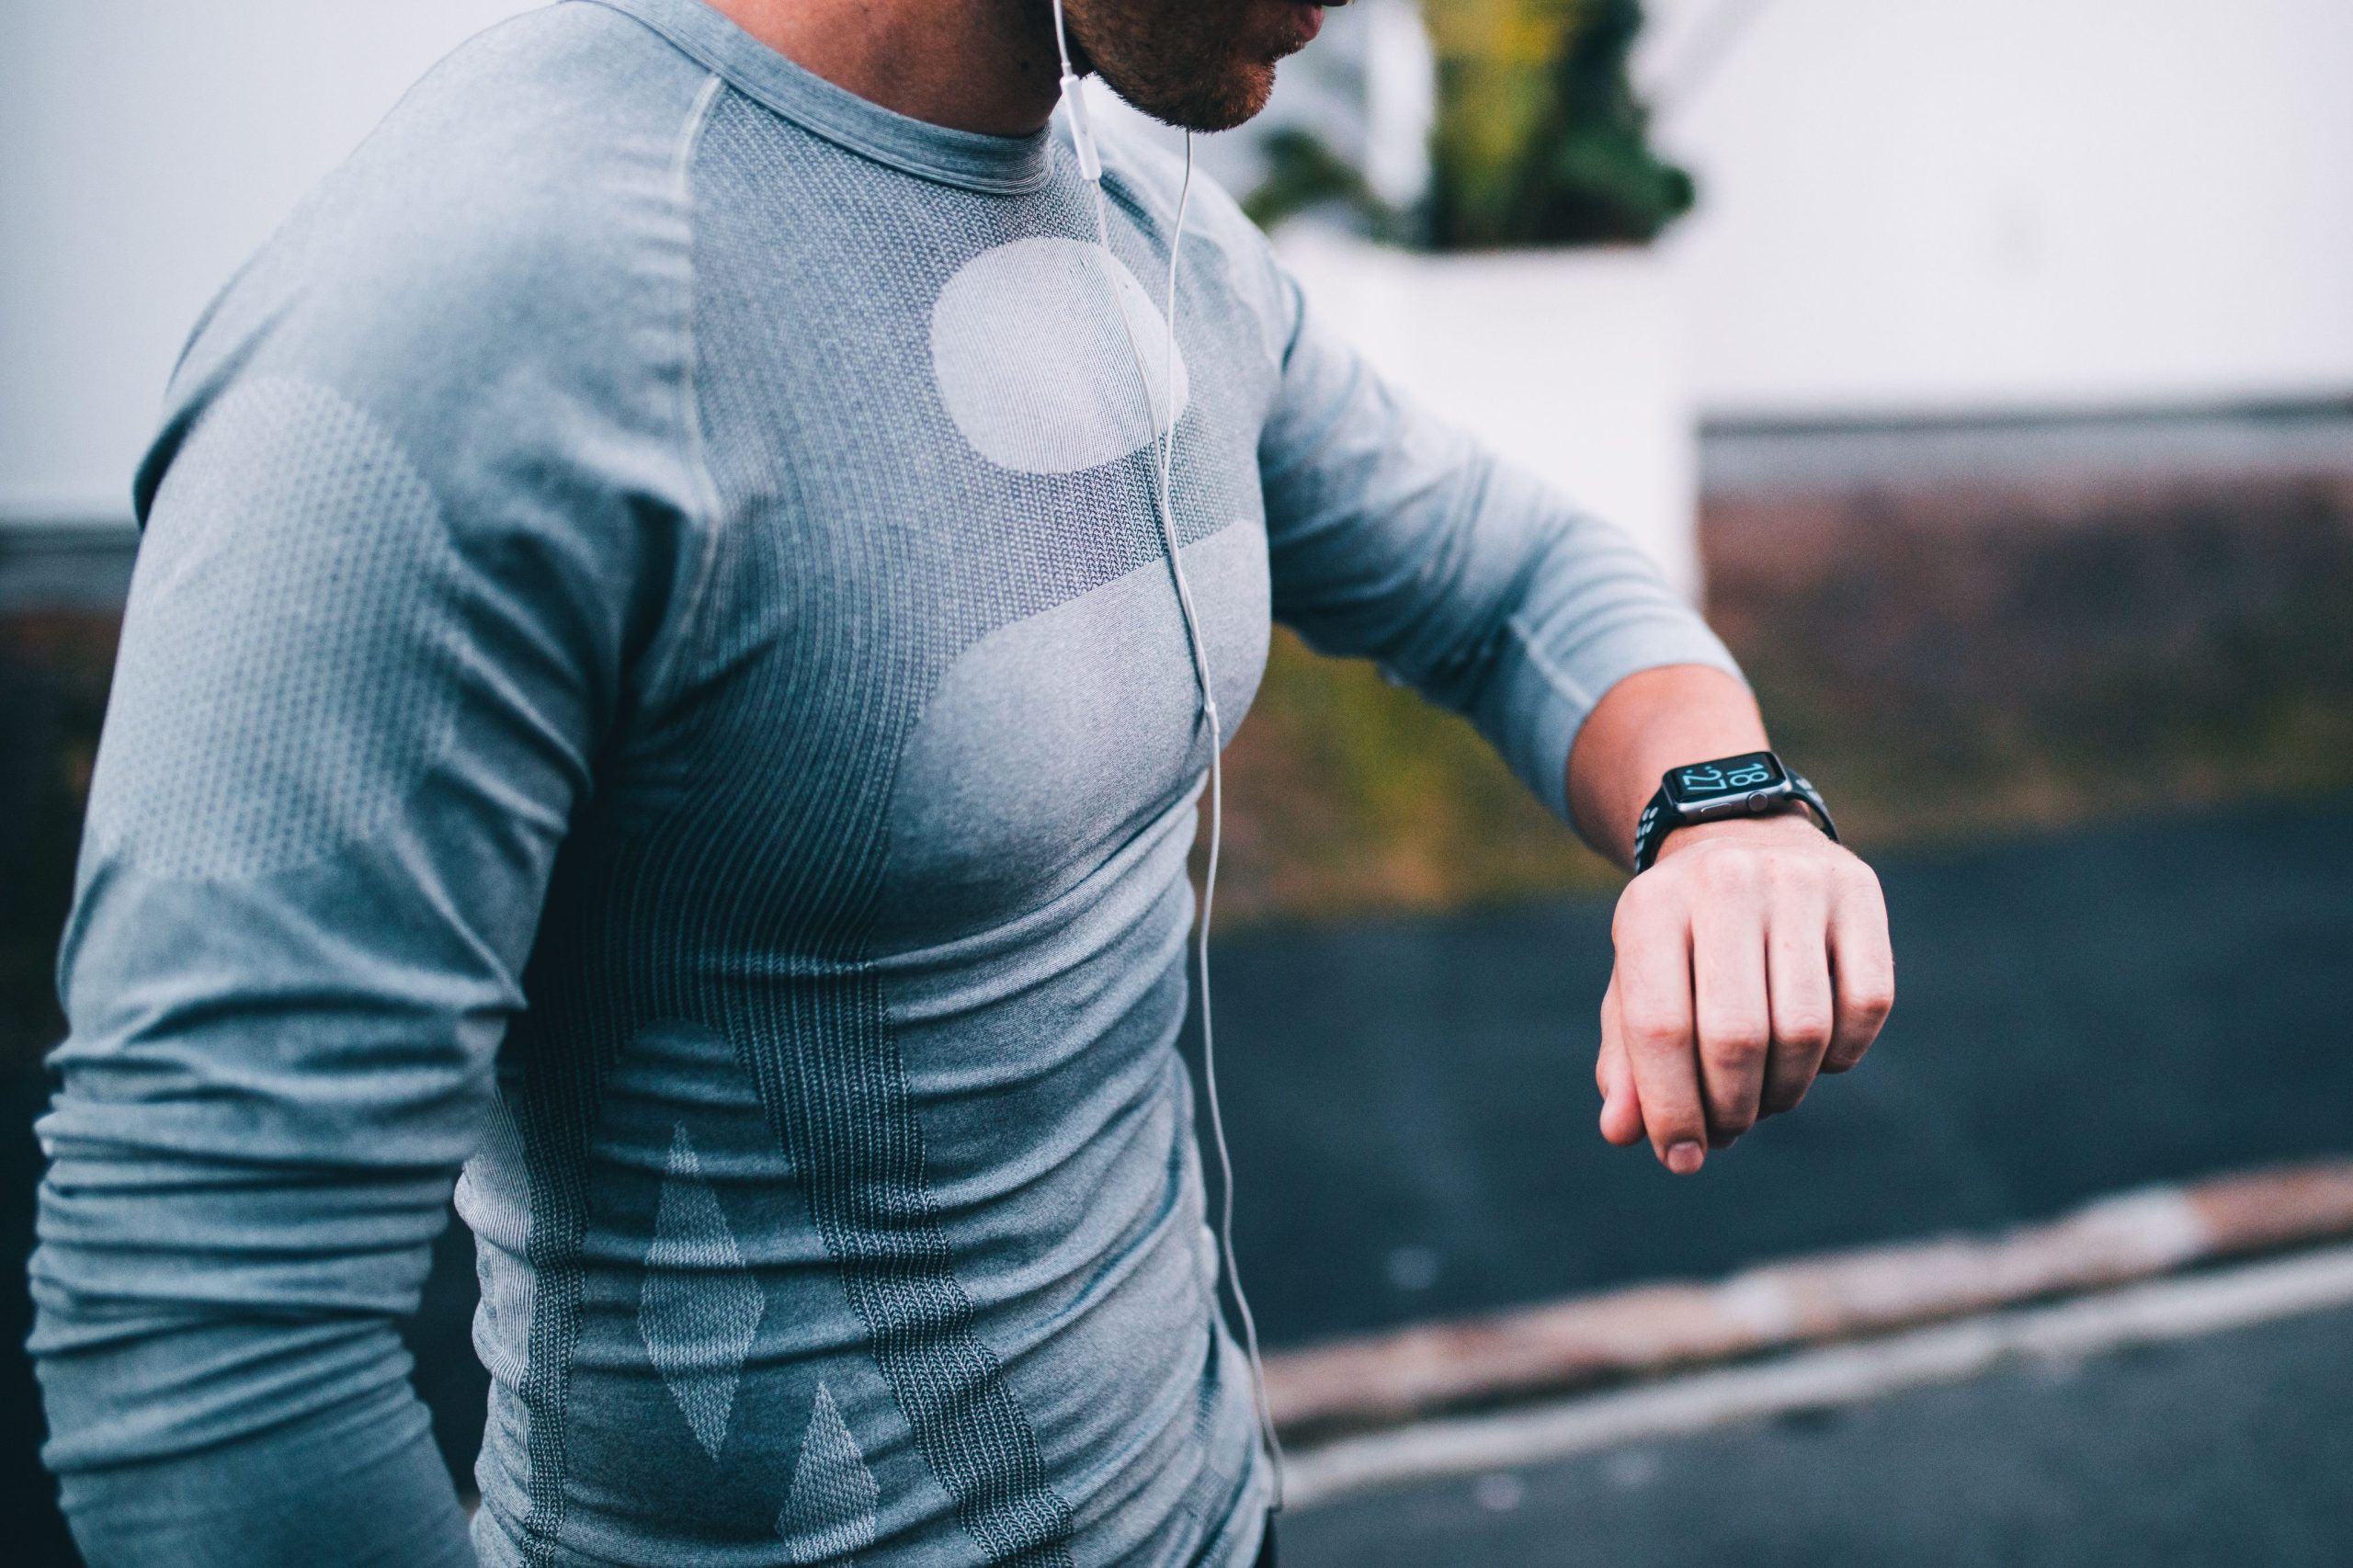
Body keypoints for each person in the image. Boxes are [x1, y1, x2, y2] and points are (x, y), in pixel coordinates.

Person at [27, 0, 1896, 1562]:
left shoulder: (1142, 218)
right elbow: (206, 1353)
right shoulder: (487, 306)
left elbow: (1505, 574)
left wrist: (1718, 806)